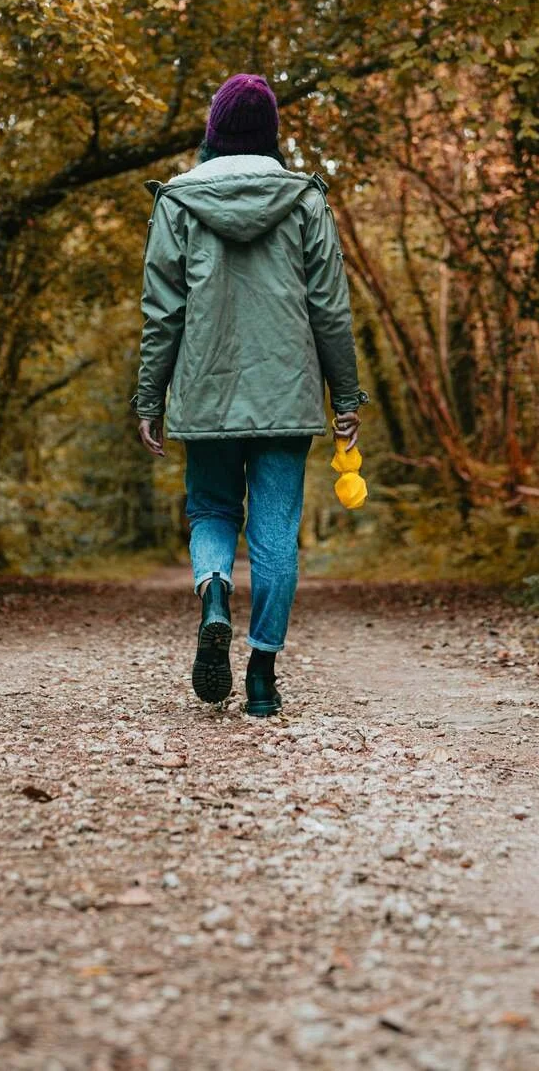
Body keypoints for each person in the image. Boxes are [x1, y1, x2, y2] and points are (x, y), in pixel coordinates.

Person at [132, 73, 367, 716]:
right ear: (272, 136)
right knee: (274, 534)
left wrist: (150, 397)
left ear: (212, 134)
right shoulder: (305, 201)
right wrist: (345, 397)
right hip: (286, 395)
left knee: (210, 509)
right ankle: (262, 675)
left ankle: (213, 596)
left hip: (205, 394)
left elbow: (163, 314)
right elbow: (330, 309)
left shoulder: (176, 203)